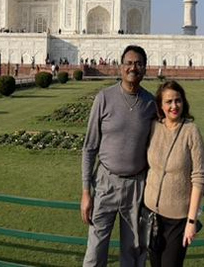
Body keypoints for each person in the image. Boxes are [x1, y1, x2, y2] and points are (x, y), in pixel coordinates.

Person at [81, 45, 156, 267]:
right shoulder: (104, 98)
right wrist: (86, 192)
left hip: (136, 186)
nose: (134, 67)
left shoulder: (150, 103)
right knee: (95, 251)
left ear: (145, 69)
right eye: (129, 63)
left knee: (133, 253)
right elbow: (89, 147)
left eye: (139, 64)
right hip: (105, 183)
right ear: (120, 67)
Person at [144, 80, 204, 266]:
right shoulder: (155, 127)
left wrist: (191, 221)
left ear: (183, 102)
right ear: (160, 105)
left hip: (178, 220)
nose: (174, 106)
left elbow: (199, 179)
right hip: (151, 215)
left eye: (177, 100)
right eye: (168, 102)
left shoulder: (191, 131)